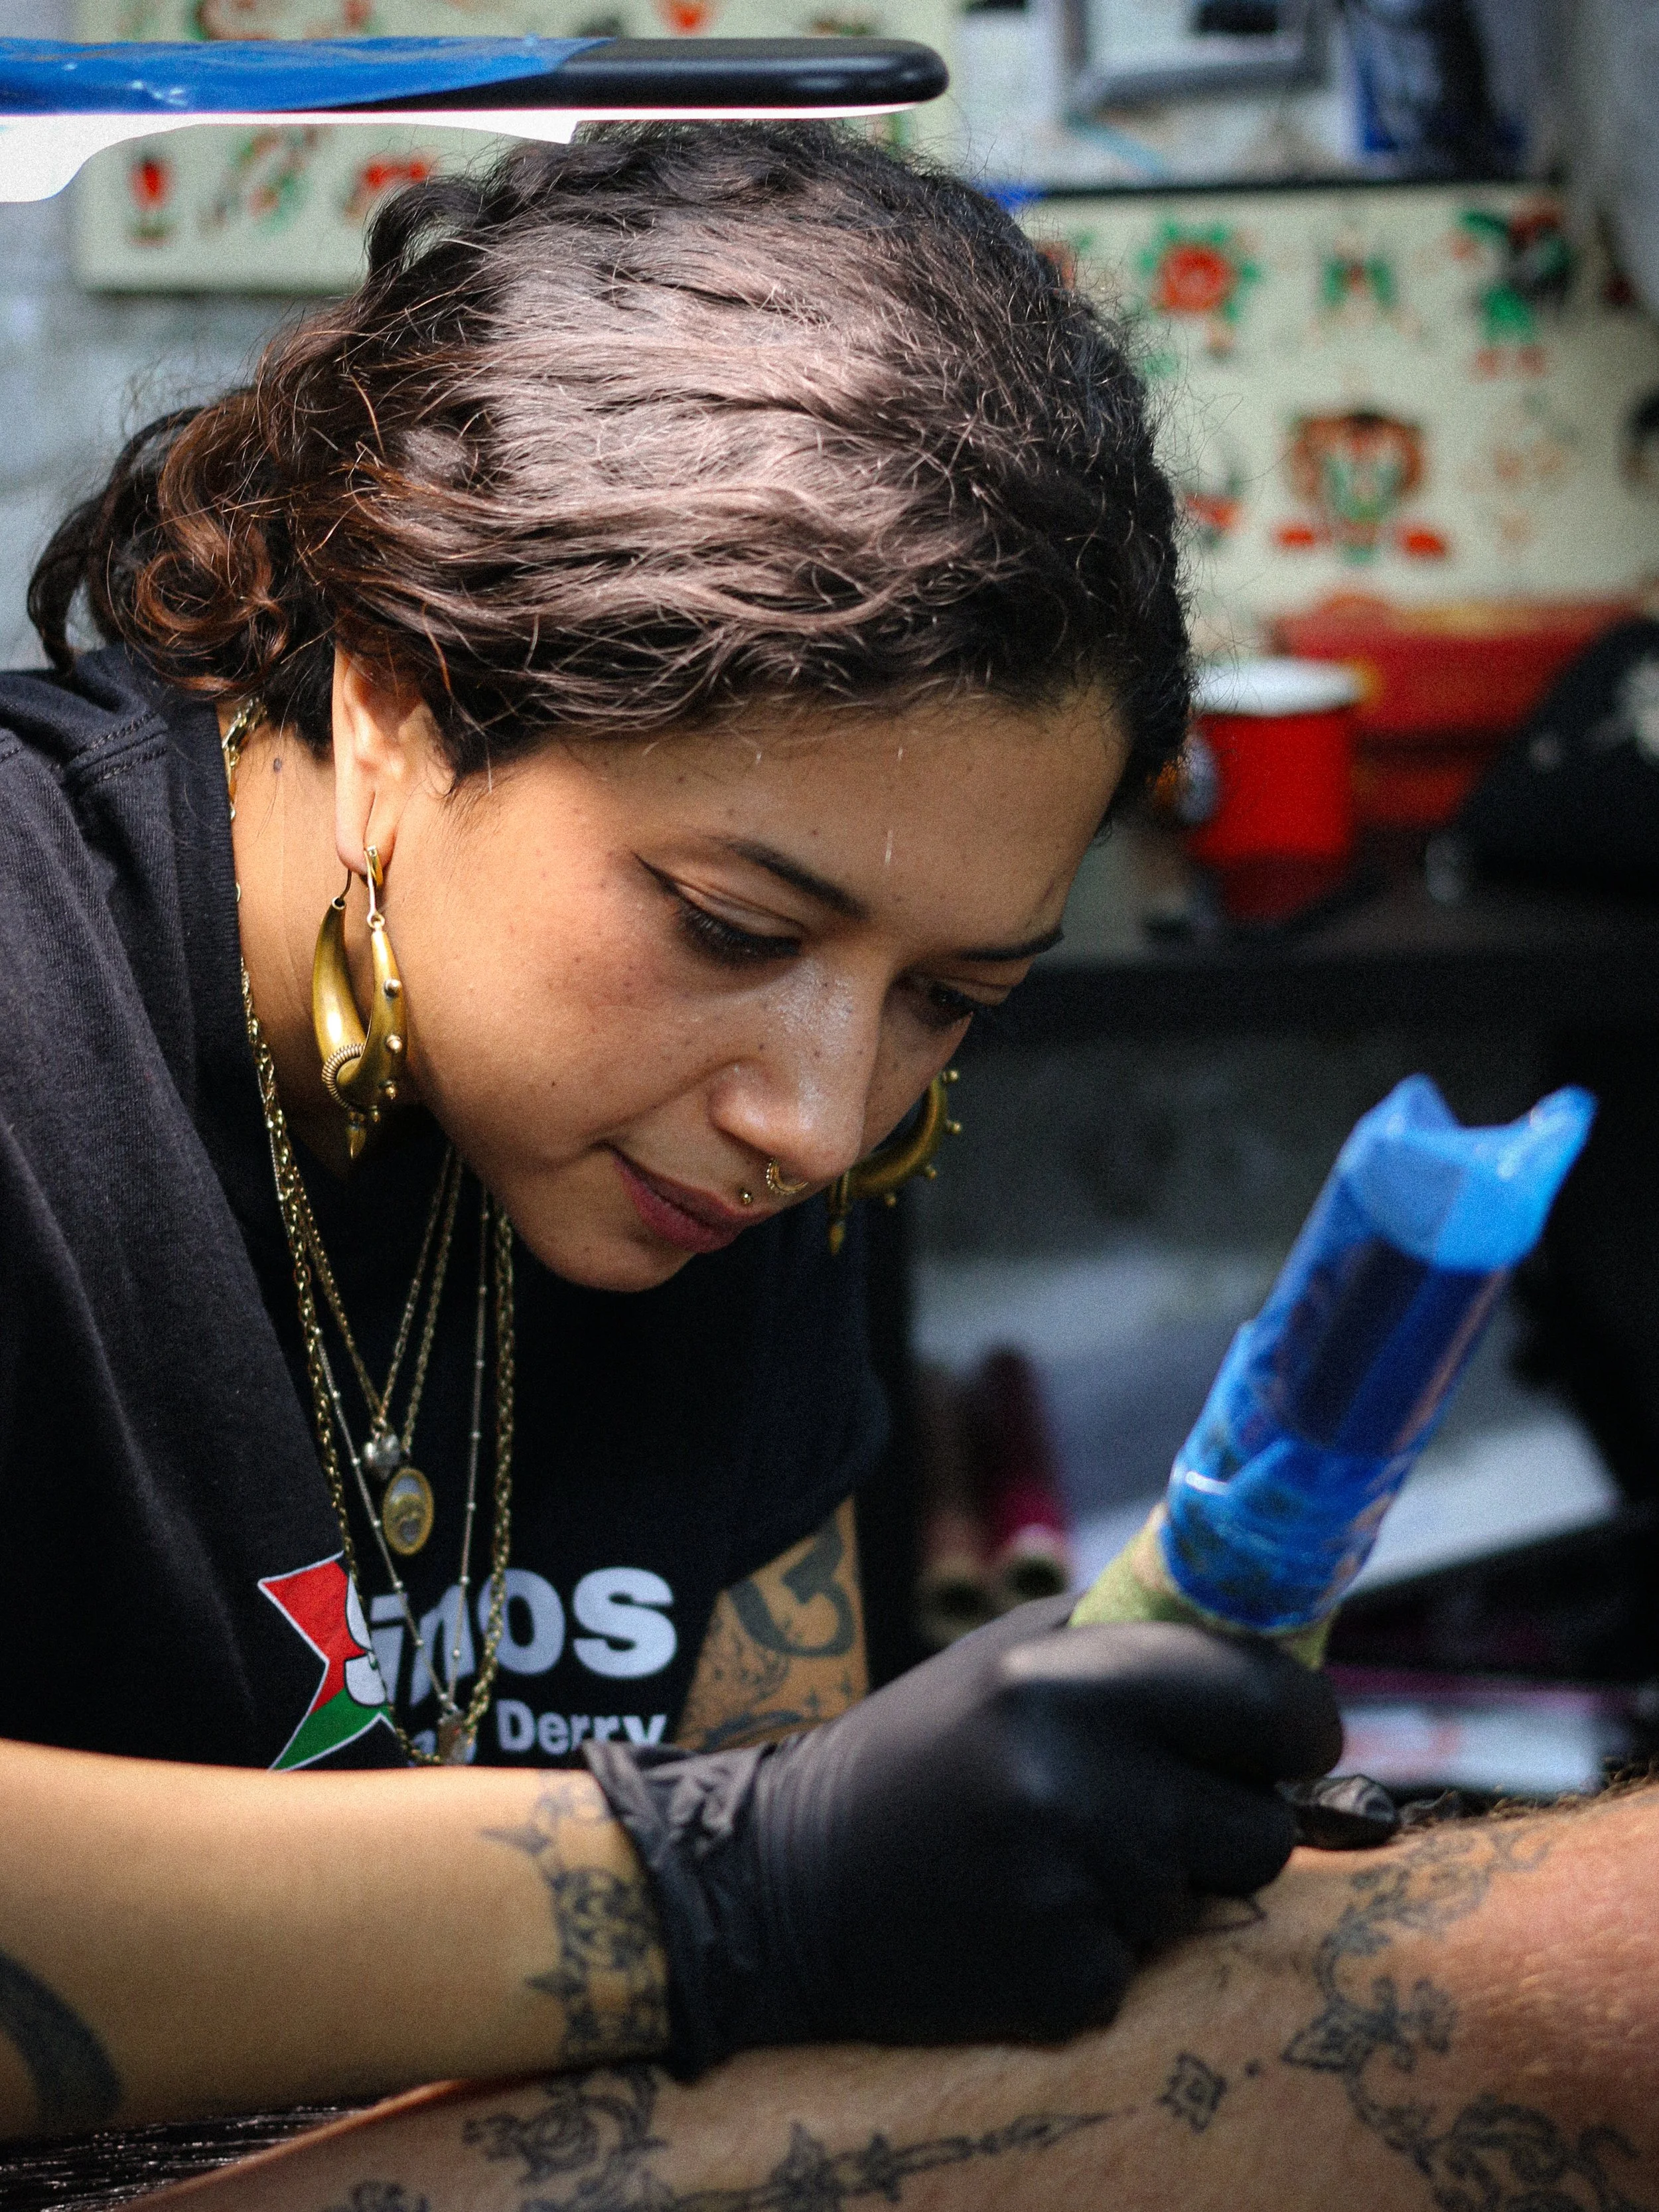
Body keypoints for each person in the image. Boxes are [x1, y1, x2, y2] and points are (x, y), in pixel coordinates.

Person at [0, 123, 1340, 2142]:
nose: (815, 1115)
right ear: (387, 701)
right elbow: (748, 1876)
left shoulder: (735, 1138)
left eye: (948, 999)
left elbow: (762, 2024)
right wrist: (719, 1887)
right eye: (728, 924)